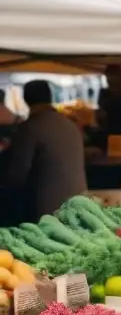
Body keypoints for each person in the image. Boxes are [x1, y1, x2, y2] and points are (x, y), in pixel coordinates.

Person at [0, 80, 86, 225]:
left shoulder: (30, 128)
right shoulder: (71, 125)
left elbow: (16, 175)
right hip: (80, 207)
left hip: (47, 212)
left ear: (25, 100)